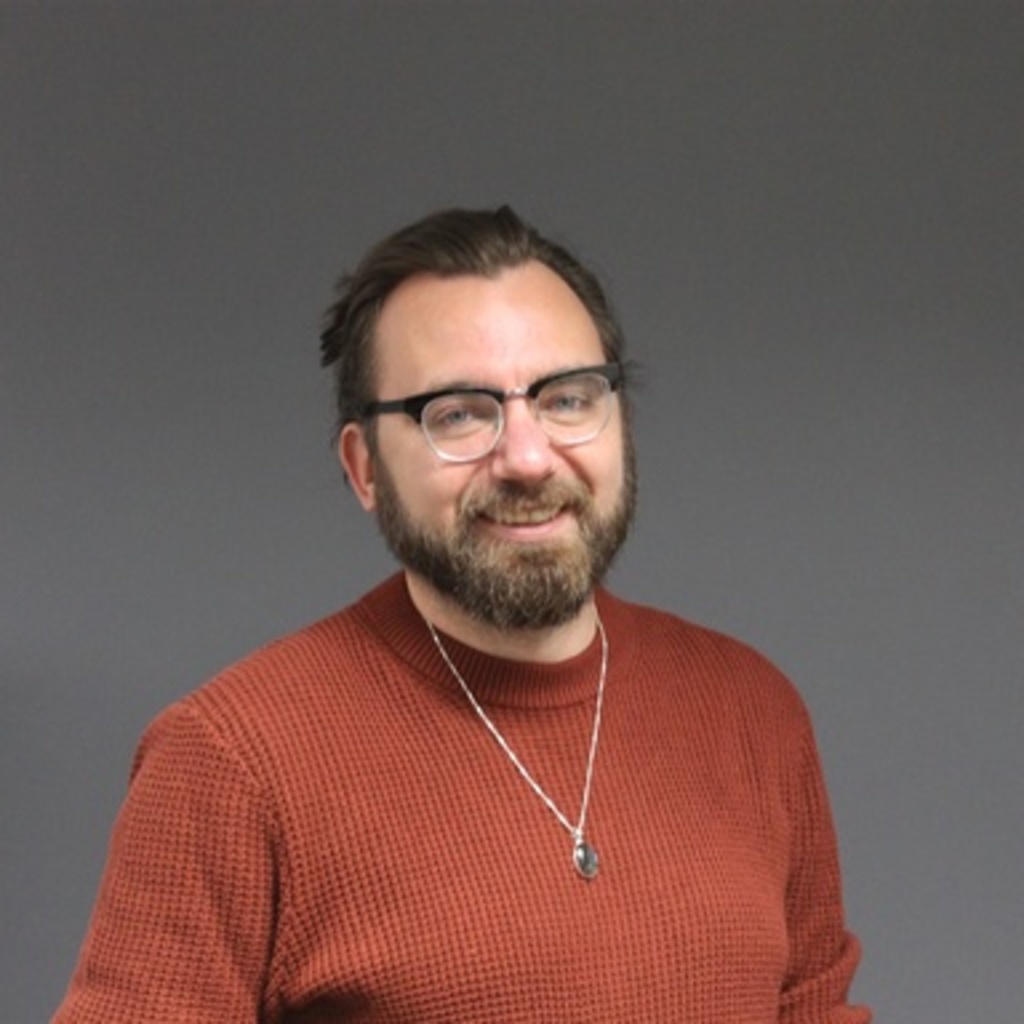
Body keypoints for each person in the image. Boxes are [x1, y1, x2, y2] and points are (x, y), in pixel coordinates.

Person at [54, 205, 870, 1022]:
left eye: (567, 398)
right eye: (458, 414)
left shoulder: (753, 710)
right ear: (364, 467)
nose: (525, 457)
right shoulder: (231, 761)